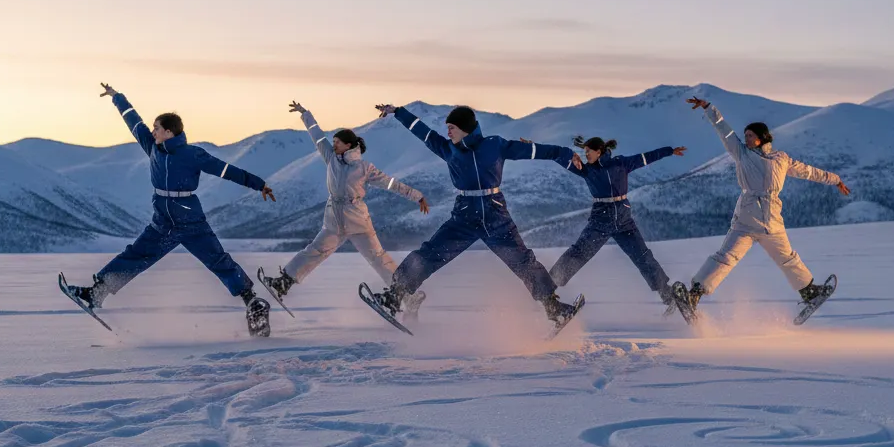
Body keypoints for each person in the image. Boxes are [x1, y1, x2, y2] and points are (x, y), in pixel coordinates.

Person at [60, 83, 277, 337]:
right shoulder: (153, 148)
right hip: (162, 223)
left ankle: (253, 303)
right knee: (135, 255)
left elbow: (226, 170)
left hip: (191, 221)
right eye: (153, 128)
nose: (152, 132)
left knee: (219, 261)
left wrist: (258, 184)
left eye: (157, 128)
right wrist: (118, 98)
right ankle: (96, 293)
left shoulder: (192, 154)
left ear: (169, 132)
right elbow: (135, 123)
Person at [366, 103, 585, 326]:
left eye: (451, 127)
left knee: (523, 261)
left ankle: (554, 308)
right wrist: (398, 112)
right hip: (464, 216)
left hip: (495, 215)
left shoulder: (495, 145)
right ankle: (394, 297)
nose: (448, 132)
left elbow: (535, 151)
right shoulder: (447, 148)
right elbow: (421, 131)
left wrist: (566, 154)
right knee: (429, 254)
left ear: (465, 128)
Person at [259, 102, 430, 322]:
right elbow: (317, 137)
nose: (333, 144)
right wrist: (306, 114)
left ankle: (408, 297)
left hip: (357, 219)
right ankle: (283, 283)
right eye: (333, 142)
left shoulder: (364, 168)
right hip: (333, 220)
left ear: (348, 145)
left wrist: (417, 196)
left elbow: (391, 184)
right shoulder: (331, 158)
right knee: (314, 251)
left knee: (378, 259)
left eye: (337, 142)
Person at [684, 96, 851, 312]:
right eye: (745, 135)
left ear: (762, 137)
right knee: (726, 257)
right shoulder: (741, 153)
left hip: (772, 222)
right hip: (746, 220)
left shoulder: (781, 158)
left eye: (750, 135)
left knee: (788, 258)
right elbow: (724, 131)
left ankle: (810, 293)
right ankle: (694, 294)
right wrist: (708, 108)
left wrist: (835, 179)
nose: (746, 138)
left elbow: (808, 171)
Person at [541, 134, 688, 307]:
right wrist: (536, 149)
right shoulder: (585, 169)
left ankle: (666, 293)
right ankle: (547, 289)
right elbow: (558, 158)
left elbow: (646, 158)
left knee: (643, 256)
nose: (585, 155)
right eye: (585, 151)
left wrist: (669, 151)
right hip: (600, 221)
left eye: (588, 151)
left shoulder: (621, 163)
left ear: (599, 151)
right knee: (578, 253)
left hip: (624, 221)